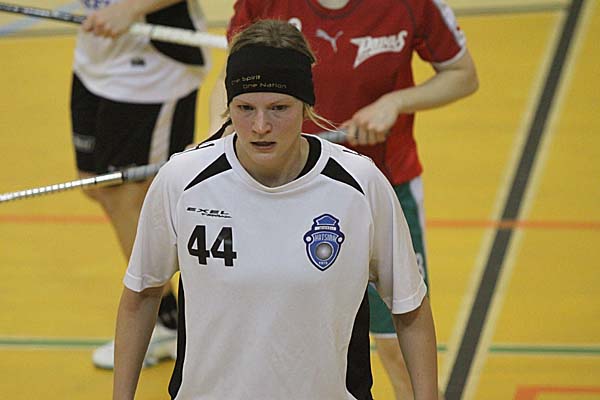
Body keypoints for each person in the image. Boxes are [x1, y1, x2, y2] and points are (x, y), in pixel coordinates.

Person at [113, 19, 438, 400]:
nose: (260, 126)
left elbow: (410, 309)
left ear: (305, 106)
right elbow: (142, 295)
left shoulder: (360, 185)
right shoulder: (182, 181)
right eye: (245, 108)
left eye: (278, 108)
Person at [211, 1, 478, 397]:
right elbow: (232, 78)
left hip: (383, 187)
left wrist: (395, 102)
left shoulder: (412, 5)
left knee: (396, 348)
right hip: (280, 191)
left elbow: (462, 74)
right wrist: (218, 142)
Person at [71, 0, 210, 369]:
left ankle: (169, 321)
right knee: (96, 186)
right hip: (95, 59)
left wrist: (132, 8)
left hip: (150, 70)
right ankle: (172, 316)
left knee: (127, 197)